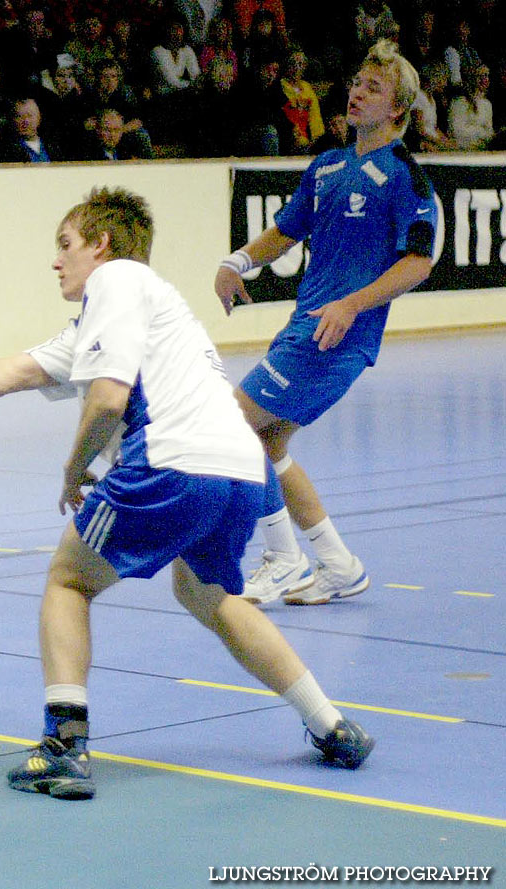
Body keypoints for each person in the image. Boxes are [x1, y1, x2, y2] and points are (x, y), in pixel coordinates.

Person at [0, 186, 376, 801]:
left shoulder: (119, 281)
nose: (57, 261)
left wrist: (72, 470)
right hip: (240, 470)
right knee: (209, 594)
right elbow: (9, 373)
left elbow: (107, 399)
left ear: (102, 245)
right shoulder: (125, 315)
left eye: (66, 245)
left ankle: (63, 747)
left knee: (68, 580)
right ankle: (331, 725)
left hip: (172, 462)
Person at [215, 40, 437, 606]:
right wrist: (237, 261)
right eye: (356, 82)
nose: (356, 93)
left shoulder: (406, 176)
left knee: (236, 424)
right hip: (307, 326)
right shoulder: (328, 164)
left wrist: (351, 305)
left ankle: (284, 559)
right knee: (267, 441)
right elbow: (287, 229)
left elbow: (419, 260)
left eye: (373, 88)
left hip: (338, 335)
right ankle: (338, 565)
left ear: (397, 110)